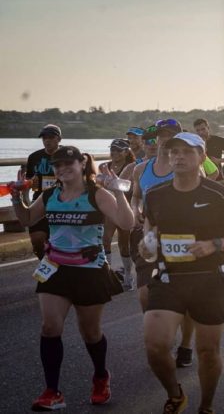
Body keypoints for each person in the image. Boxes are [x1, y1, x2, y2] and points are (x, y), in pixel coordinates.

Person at [12, 146, 134, 411]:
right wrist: (17, 196)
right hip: (55, 267)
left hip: (90, 269)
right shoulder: (50, 195)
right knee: (49, 328)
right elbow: (27, 218)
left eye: (69, 163)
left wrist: (118, 192)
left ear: (82, 164)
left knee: (90, 333)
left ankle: (101, 376)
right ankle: (52, 391)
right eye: (58, 165)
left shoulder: (97, 194)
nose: (62, 168)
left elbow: (126, 224)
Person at [139, 132, 224, 414]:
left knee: (208, 352)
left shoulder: (218, 195)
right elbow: (150, 230)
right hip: (167, 278)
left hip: (207, 279)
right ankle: (175, 395)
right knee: (155, 346)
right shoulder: (155, 195)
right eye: (173, 152)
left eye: (187, 152)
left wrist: (214, 244)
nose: (178, 156)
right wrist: (147, 244)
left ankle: (206, 405)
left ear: (201, 157)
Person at [131, 121, 196, 369]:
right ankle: (160, 337)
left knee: (185, 298)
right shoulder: (141, 169)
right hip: (147, 236)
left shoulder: (186, 168)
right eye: (160, 136)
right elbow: (136, 196)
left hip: (180, 239)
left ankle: (186, 344)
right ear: (155, 139)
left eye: (170, 136)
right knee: (146, 294)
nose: (164, 139)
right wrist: (136, 209)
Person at [100, 138, 136, 289]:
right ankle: (107, 276)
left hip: (124, 208)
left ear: (126, 152)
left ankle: (128, 275)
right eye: (112, 150)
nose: (114, 153)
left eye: (118, 150)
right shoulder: (105, 166)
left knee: (123, 244)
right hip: (109, 208)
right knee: (105, 239)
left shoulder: (132, 167)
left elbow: (130, 188)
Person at [26, 124, 62, 259]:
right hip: (40, 201)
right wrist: (29, 184)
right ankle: (45, 265)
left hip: (63, 202)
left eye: (51, 137)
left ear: (59, 139)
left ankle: (58, 268)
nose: (47, 141)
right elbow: (29, 180)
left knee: (59, 242)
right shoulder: (34, 157)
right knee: (36, 240)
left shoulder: (68, 156)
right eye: (44, 138)